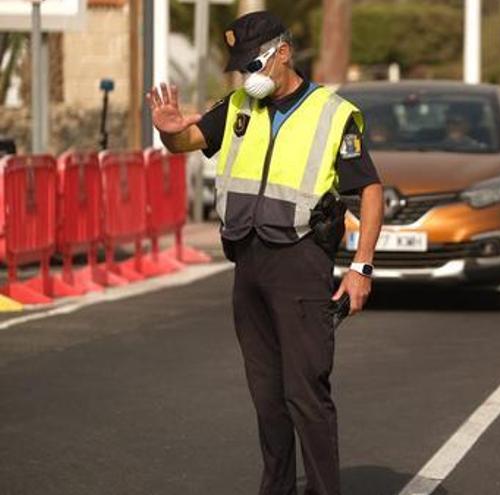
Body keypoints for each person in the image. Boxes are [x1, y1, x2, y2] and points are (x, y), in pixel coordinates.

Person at [146, 11, 383, 495]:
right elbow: (186, 141)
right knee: (266, 397)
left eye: (253, 63)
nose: (246, 75)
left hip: (300, 263)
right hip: (248, 264)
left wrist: (361, 266)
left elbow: (371, 190)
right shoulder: (236, 107)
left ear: (283, 52)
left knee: (305, 393)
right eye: (240, 67)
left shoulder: (332, 113)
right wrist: (169, 129)